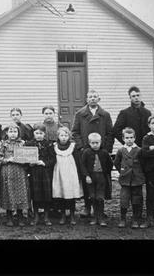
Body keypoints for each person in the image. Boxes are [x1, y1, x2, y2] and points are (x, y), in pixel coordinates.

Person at [111, 86, 154, 220]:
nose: (136, 98)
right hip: (132, 153)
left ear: (141, 96)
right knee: (133, 186)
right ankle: (133, 213)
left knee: (151, 181)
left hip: (146, 153)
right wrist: (127, 144)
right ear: (130, 97)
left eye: (138, 95)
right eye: (133, 96)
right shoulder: (125, 113)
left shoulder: (147, 112)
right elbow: (116, 130)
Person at [70, 89, 113, 219]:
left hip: (101, 152)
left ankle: (100, 209)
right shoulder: (80, 114)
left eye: (95, 97)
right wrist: (82, 147)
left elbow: (110, 133)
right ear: (86, 99)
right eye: (90, 97)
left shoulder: (105, 114)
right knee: (87, 179)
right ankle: (87, 207)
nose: (92, 99)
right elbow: (75, 132)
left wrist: (106, 149)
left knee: (102, 180)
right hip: (86, 153)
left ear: (99, 99)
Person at [0, 123, 31, 227]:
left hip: (20, 171)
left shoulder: (22, 143)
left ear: (18, 133)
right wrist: (8, 159)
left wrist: (25, 161)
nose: (13, 134)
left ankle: (21, 215)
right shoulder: (3, 144)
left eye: (15, 131)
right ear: (7, 133)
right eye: (11, 131)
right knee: (8, 192)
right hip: (7, 171)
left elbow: (28, 157)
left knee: (20, 192)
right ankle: (9, 216)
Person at [113, 127, 145, 228]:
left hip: (136, 179)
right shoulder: (121, 150)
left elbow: (144, 164)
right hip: (125, 180)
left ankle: (135, 219)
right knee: (124, 199)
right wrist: (122, 171)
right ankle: (123, 219)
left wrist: (139, 174)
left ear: (135, 138)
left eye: (131, 137)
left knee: (137, 199)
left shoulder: (139, 150)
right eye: (127, 138)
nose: (129, 140)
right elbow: (116, 162)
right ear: (123, 138)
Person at [25, 123, 56, 226]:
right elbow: (24, 158)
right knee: (35, 194)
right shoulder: (29, 144)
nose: (39, 135)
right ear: (33, 133)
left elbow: (53, 159)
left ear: (44, 133)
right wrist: (29, 163)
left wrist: (44, 163)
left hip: (45, 172)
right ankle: (36, 216)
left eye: (41, 133)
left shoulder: (49, 144)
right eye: (37, 133)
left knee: (46, 194)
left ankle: (46, 216)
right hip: (34, 172)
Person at [80, 133, 113, 227]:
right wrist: (87, 176)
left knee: (100, 197)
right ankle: (94, 217)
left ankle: (101, 217)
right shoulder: (86, 152)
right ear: (89, 143)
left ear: (100, 142)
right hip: (91, 178)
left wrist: (105, 173)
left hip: (101, 178)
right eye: (93, 143)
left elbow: (110, 164)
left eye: (97, 143)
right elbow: (83, 165)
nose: (95, 145)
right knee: (93, 197)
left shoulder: (104, 152)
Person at [52, 127, 83, 225]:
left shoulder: (73, 147)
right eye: (61, 135)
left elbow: (78, 161)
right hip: (59, 174)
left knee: (71, 195)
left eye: (66, 135)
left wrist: (78, 174)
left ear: (69, 136)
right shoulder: (54, 147)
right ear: (58, 136)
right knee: (61, 194)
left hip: (71, 174)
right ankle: (63, 215)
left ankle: (72, 215)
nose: (64, 138)